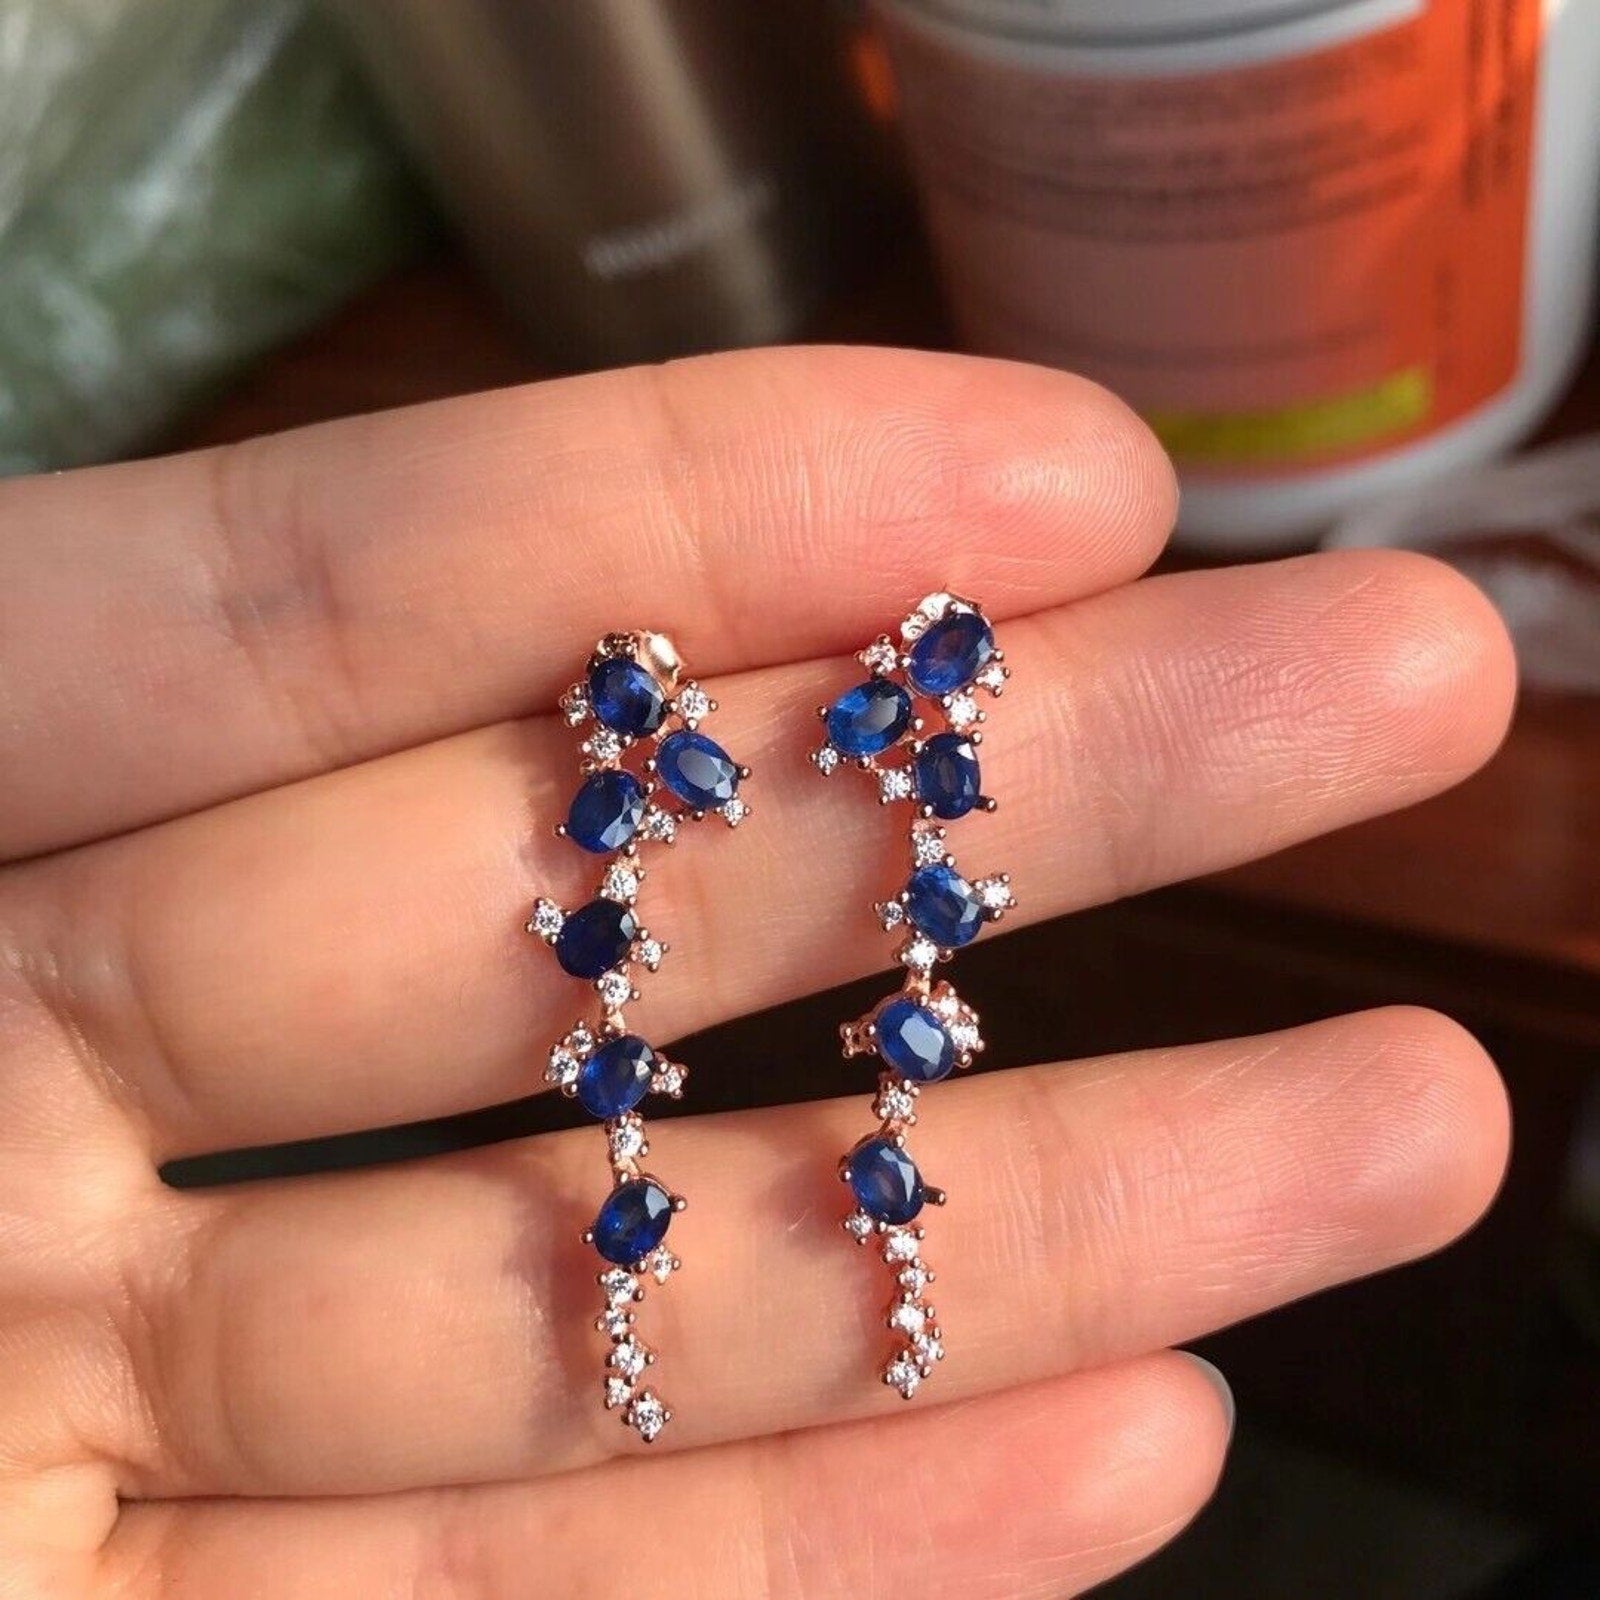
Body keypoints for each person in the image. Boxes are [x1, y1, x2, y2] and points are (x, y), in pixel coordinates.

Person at [0, 346, 1515, 1597]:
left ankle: (789, 1300)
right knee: (663, 1088)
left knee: (767, 1083)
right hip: (693, 911)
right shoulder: (690, 774)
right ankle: (728, 1311)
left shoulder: (862, 757)